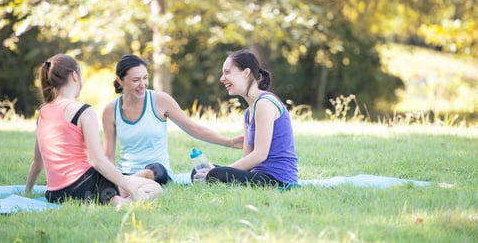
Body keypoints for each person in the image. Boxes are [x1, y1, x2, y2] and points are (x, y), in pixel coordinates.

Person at [25, 54, 163, 207]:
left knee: (126, 183)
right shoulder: (83, 111)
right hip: (85, 186)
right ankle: (119, 201)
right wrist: (132, 190)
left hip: (55, 194)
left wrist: (27, 192)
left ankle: (117, 196)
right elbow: (97, 161)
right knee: (154, 187)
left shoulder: (43, 112)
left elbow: (37, 163)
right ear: (74, 76)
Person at [102, 54, 244, 184]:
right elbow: (108, 156)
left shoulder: (160, 101)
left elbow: (194, 129)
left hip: (157, 173)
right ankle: (125, 183)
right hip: (125, 173)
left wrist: (229, 142)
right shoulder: (110, 111)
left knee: (155, 170)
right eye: (135, 80)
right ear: (120, 81)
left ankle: (124, 185)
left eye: (145, 78)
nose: (142, 84)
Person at [195, 49, 298, 188]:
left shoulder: (265, 102)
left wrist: (220, 172)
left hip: (277, 179)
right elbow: (247, 160)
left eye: (227, 72)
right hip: (257, 175)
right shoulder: (248, 113)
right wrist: (214, 170)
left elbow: (260, 155)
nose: (222, 78)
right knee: (198, 172)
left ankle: (213, 176)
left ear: (246, 73)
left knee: (213, 175)